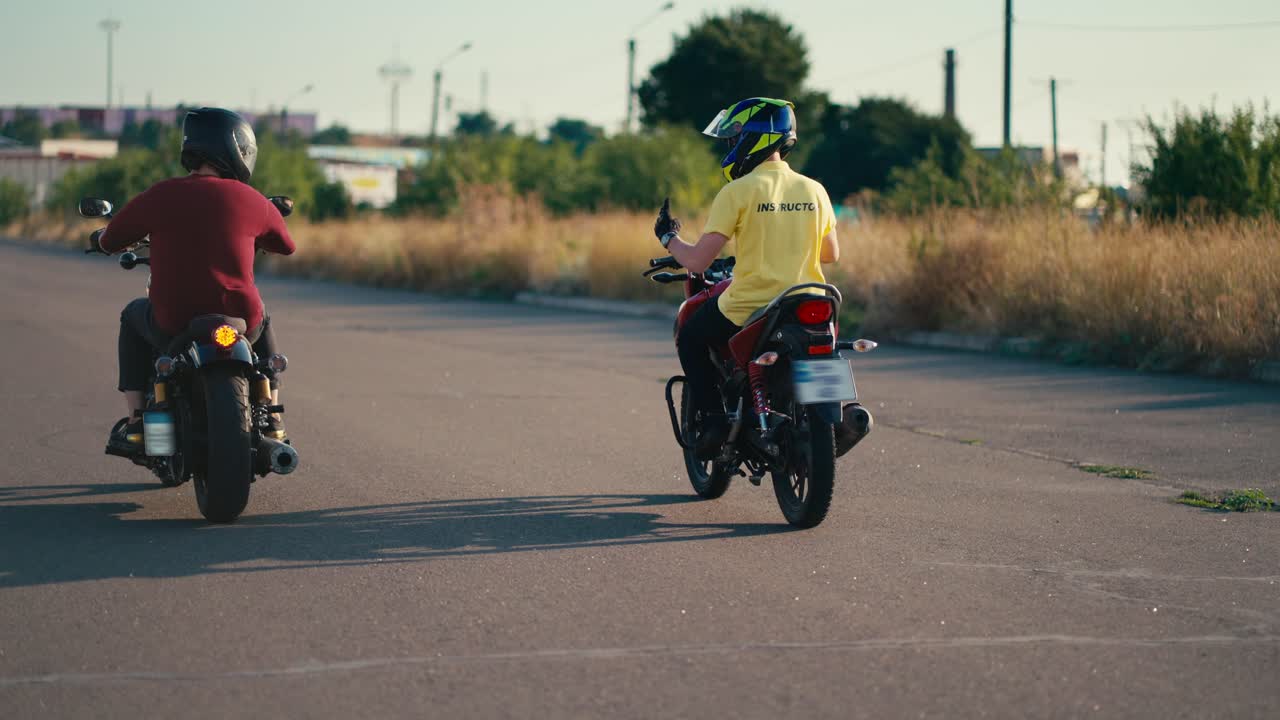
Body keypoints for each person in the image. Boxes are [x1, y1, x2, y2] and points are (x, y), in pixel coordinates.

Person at [654, 97, 860, 459]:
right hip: (810, 298)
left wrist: (669, 238)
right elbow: (831, 254)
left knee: (691, 337)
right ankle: (833, 419)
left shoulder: (738, 191)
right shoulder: (815, 190)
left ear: (756, 138)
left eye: (735, 138)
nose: (732, 146)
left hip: (751, 303)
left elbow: (700, 261)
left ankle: (716, 422)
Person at [95, 107, 295, 450]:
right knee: (262, 313)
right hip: (241, 318)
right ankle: (272, 415)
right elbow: (287, 246)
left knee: (132, 315)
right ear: (239, 149)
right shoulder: (254, 201)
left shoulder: (160, 195)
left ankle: (136, 421)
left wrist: (99, 240)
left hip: (173, 320)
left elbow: (110, 240)